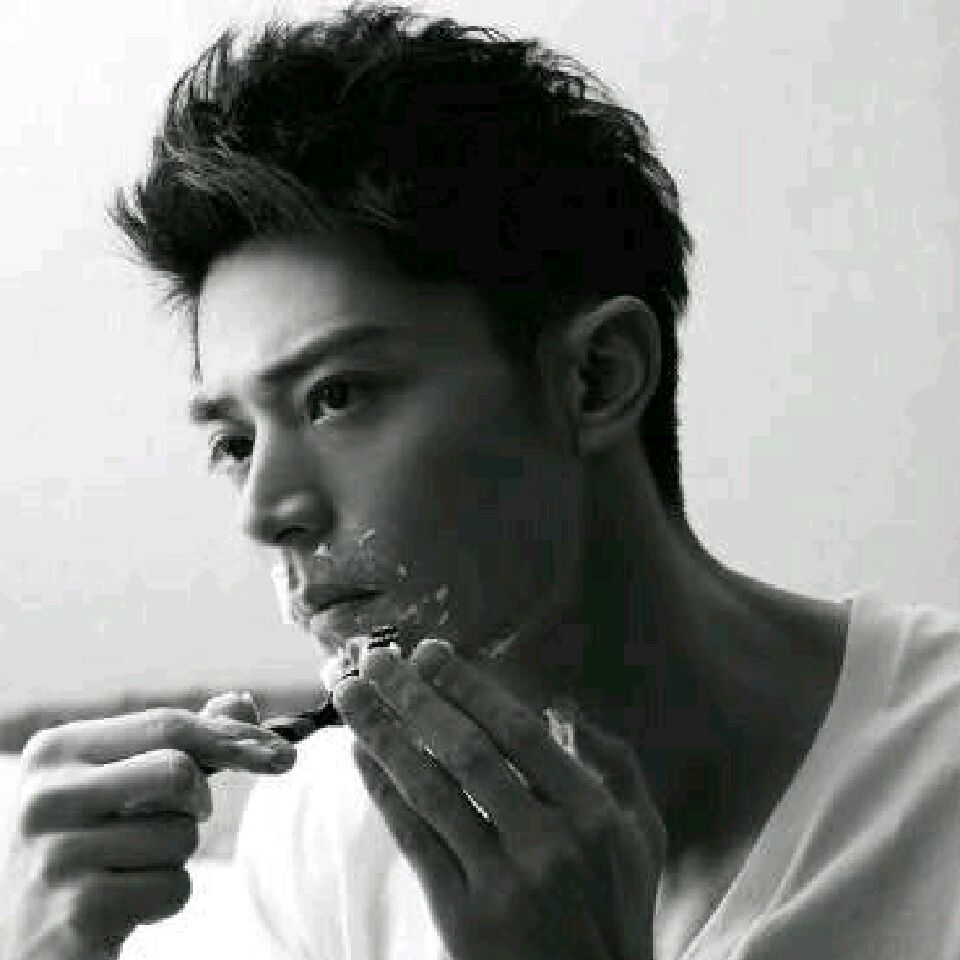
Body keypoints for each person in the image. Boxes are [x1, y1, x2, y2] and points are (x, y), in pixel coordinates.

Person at [3, 4, 959, 959]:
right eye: (234, 441)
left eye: (337, 396)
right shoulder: (334, 826)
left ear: (599, 378)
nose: (265, 511)